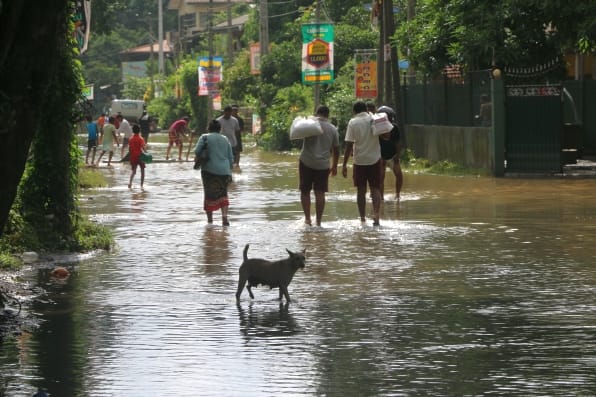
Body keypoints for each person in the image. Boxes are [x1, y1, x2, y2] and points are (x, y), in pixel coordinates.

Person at [341, 101, 382, 226]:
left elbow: (348, 145)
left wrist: (344, 164)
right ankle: (376, 215)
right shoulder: (374, 119)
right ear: (366, 109)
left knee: (361, 190)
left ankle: (363, 218)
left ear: (354, 111)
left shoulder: (353, 122)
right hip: (375, 159)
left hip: (360, 161)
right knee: (375, 188)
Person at [299, 105, 339, 226]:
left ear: (317, 113)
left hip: (306, 161)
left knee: (305, 191)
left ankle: (307, 219)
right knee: (320, 193)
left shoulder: (310, 125)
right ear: (328, 115)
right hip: (323, 165)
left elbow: (297, 135)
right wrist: (335, 166)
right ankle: (319, 221)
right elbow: (336, 150)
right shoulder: (333, 129)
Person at [194, 119, 234, 226]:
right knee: (223, 194)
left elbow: (197, 151)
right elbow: (231, 158)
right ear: (220, 129)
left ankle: (210, 221)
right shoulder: (225, 139)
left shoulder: (204, 137)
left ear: (209, 128)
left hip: (209, 170)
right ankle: (224, 217)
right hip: (224, 171)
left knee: (209, 194)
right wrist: (230, 171)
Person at [377, 105, 404, 201]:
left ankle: (397, 195)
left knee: (399, 175)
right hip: (380, 156)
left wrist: (397, 156)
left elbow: (398, 143)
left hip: (392, 156)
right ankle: (381, 197)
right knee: (380, 178)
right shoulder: (376, 128)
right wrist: (380, 158)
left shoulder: (394, 127)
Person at [128, 125, 147, 189]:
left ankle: (130, 183)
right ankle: (141, 185)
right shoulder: (141, 138)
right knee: (142, 170)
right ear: (139, 131)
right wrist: (146, 153)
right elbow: (143, 148)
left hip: (133, 156)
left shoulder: (130, 139)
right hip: (140, 156)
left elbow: (130, 149)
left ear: (133, 131)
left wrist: (130, 156)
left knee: (133, 171)